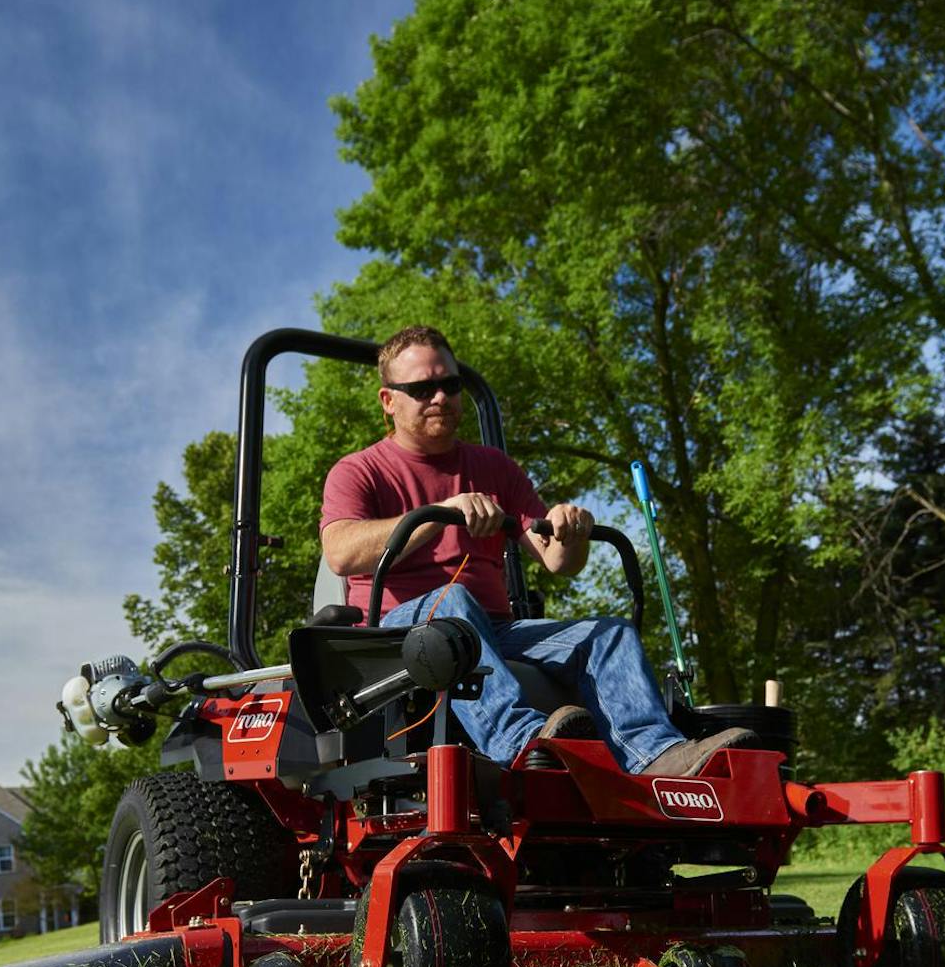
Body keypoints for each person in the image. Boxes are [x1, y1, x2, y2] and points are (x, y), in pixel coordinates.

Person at [319, 325, 756, 777]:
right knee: (454, 603)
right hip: (399, 636)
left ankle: (657, 755)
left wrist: (570, 531)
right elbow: (341, 552)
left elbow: (557, 560)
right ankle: (524, 745)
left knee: (609, 634)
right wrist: (439, 514)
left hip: (493, 630)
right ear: (389, 400)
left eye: (450, 384)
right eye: (422, 389)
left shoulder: (494, 468)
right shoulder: (359, 471)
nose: (441, 397)